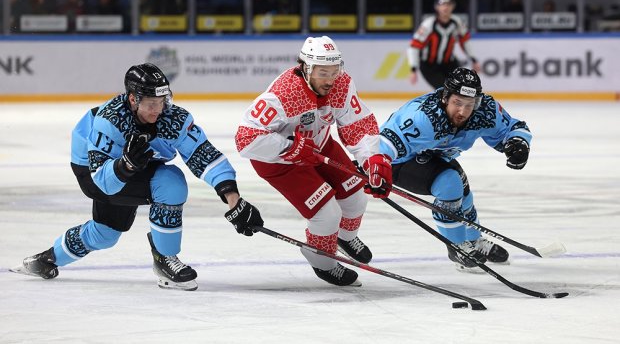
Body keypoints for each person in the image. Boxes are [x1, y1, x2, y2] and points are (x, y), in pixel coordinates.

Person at [11, 63, 264, 291]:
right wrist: (124, 167)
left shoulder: (172, 117)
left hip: (132, 166)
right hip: (93, 169)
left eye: (162, 101)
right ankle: (164, 257)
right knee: (169, 183)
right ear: (133, 99)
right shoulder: (110, 121)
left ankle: (48, 259)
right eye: (151, 103)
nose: (158, 109)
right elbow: (102, 181)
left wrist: (233, 199)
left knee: (105, 234)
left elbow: (203, 154)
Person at [235, 36, 392, 287]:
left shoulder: (342, 84)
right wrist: (289, 148)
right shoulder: (284, 94)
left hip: (319, 145)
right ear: (306, 68)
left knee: (356, 197)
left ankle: (344, 237)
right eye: (323, 73)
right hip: (280, 161)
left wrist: (372, 158)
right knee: (327, 214)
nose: (330, 80)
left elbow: (357, 123)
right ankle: (323, 262)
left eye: (334, 71)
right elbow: (246, 139)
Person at [379, 67, 531, 272]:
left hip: (435, 155)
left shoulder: (484, 110)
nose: (463, 111)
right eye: (457, 103)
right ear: (445, 97)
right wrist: (374, 167)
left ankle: (473, 241)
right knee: (449, 183)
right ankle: (457, 246)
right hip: (398, 162)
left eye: (469, 104)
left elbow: (511, 127)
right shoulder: (423, 116)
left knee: (464, 194)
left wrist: (518, 143)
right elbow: (385, 143)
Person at [407, 0, 480, 89]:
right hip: (429, 66)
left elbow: (465, 41)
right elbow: (414, 47)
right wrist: (413, 68)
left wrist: (473, 59)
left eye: (449, 4)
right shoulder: (428, 24)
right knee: (446, 90)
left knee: (464, 88)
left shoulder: (456, 22)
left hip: (449, 63)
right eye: (442, 4)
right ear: (436, 7)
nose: (446, 7)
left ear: (453, 6)